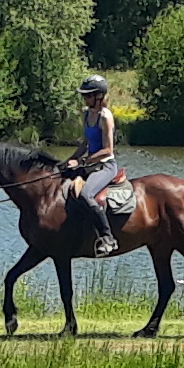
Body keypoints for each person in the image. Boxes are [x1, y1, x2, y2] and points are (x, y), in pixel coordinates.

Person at [64, 74, 125, 254]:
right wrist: (69, 161)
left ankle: (108, 237)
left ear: (99, 96)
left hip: (106, 166)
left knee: (85, 193)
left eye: (88, 95)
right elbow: (85, 144)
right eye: (84, 95)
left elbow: (108, 150)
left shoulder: (105, 117)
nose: (85, 98)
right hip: (89, 164)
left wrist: (82, 161)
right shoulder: (86, 114)